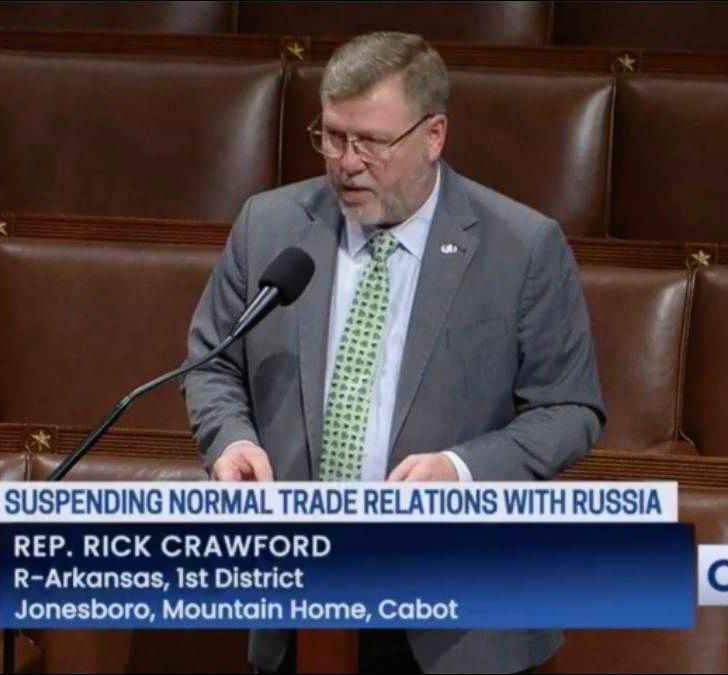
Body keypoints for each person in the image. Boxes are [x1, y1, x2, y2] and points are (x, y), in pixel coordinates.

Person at [183, 31, 605, 675]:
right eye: (332, 137)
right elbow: (213, 361)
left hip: (459, 618)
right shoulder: (269, 226)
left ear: (433, 135)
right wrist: (230, 439)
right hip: (300, 600)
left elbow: (570, 409)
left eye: (372, 142)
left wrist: (461, 471)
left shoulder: (522, 247)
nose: (346, 163)